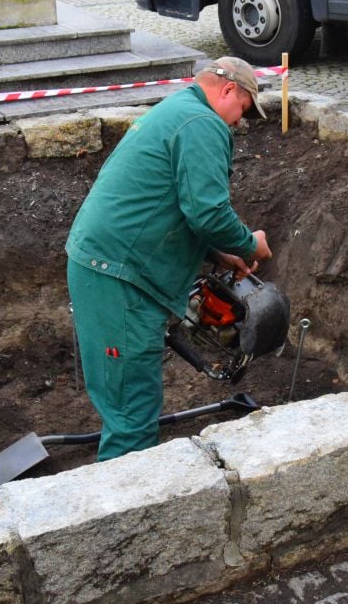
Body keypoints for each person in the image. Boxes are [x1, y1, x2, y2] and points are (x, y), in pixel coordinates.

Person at [66, 57, 274, 460]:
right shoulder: (203, 124)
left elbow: (167, 203)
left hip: (105, 266)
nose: (238, 123)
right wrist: (250, 245)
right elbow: (208, 212)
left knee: (125, 399)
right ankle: (124, 509)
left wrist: (219, 253)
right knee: (133, 412)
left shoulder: (175, 110)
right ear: (228, 89)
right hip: (118, 278)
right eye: (243, 110)